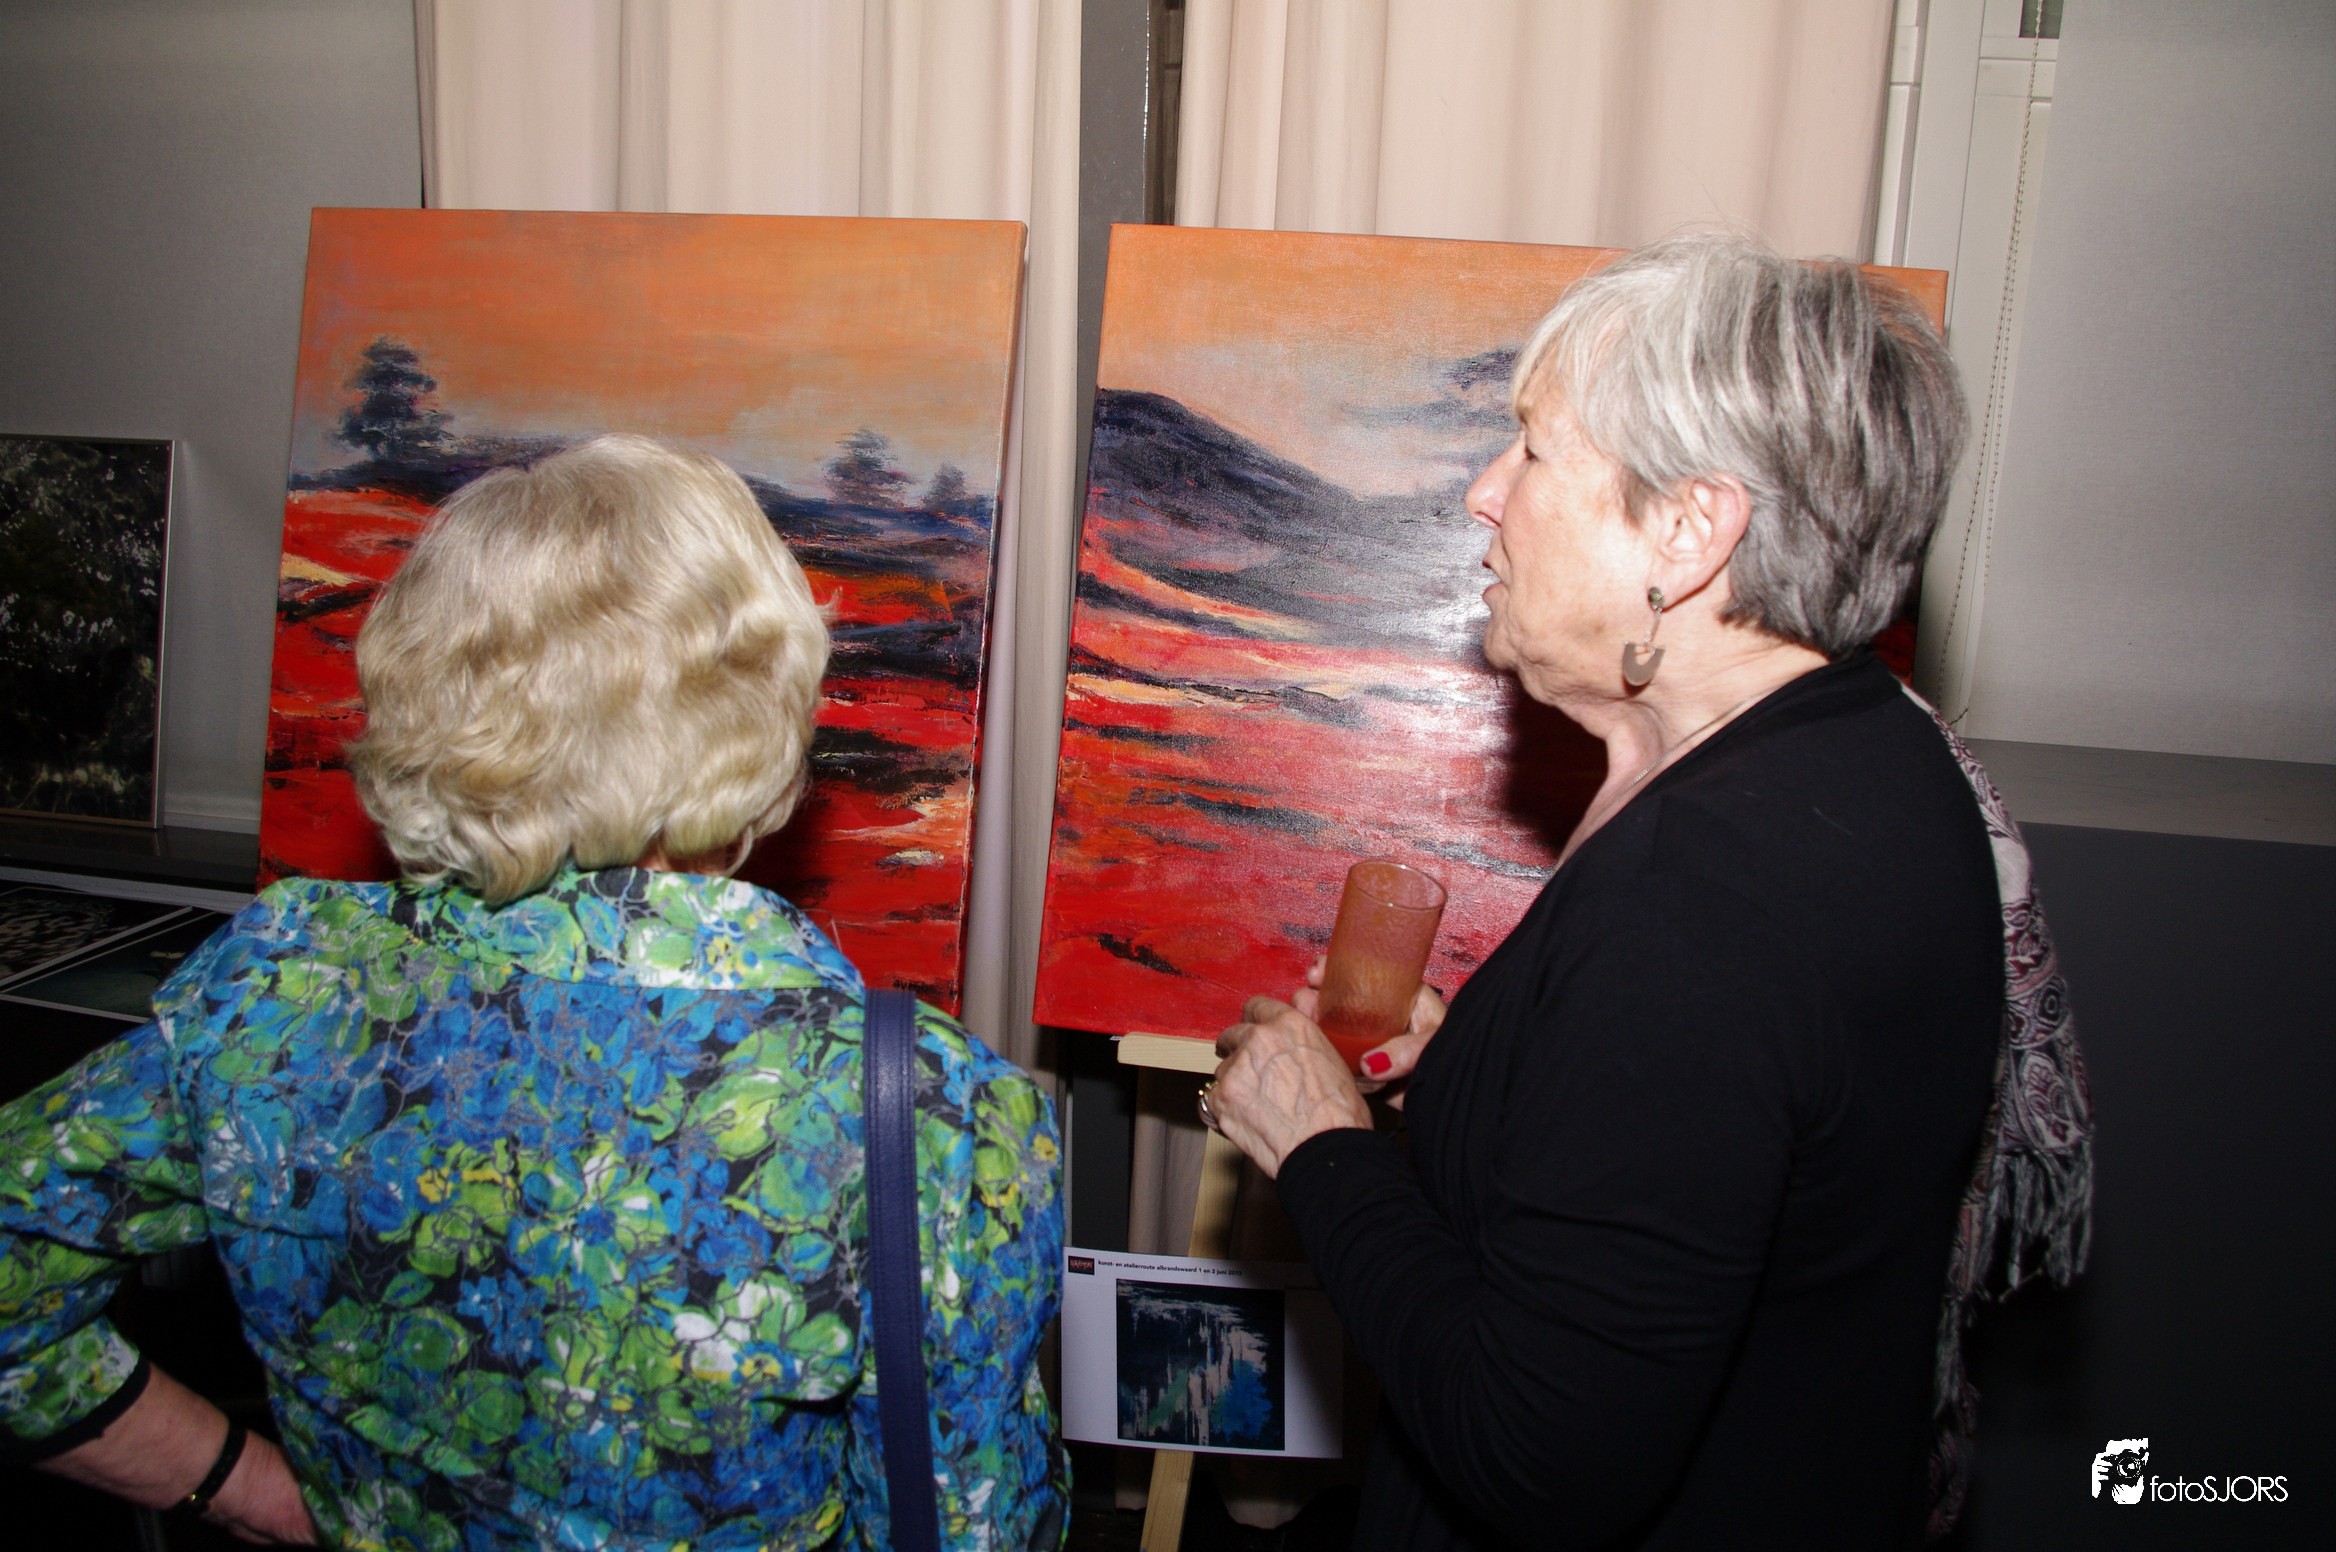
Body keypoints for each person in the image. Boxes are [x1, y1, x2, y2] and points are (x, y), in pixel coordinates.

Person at [0, 435, 1068, 1549]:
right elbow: (968, 1523)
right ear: (765, 706)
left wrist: (247, 1485)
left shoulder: (266, 995)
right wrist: (244, 1483)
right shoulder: (932, 1120)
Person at [1202, 236, 2091, 1548]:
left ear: (1688, 530)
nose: (1484, 493)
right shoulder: (1867, 752)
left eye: (1533, 450)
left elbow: (1539, 1451)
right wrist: (1483, 1080)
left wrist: (1318, 1146)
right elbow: (1708, 1166)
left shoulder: (1709, 896)